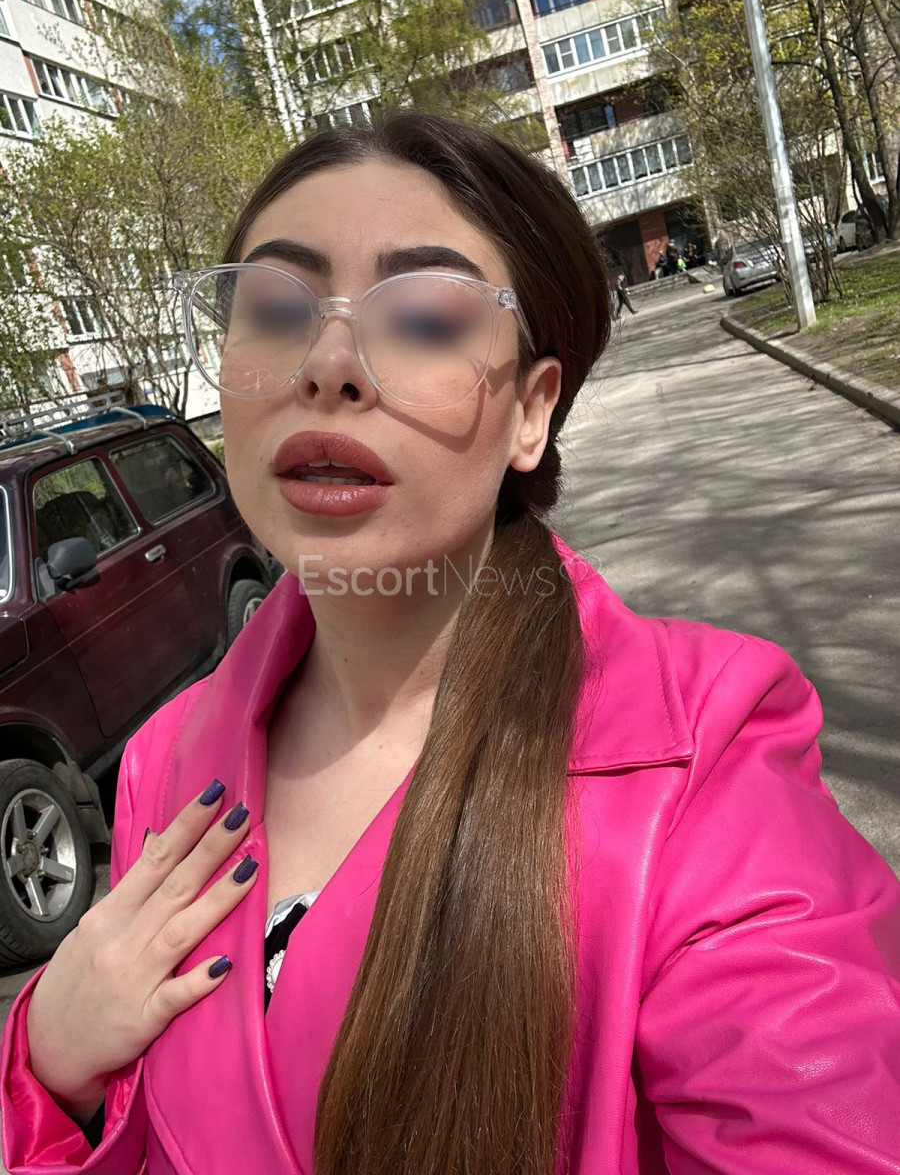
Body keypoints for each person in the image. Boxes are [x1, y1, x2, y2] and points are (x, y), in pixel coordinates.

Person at [3, 111, 899, 1175]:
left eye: (424, 318)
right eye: (277, 309)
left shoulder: (698, 761)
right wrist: (47, 1068)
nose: (328, 364)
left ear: (531, 412)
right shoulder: (165, 765)